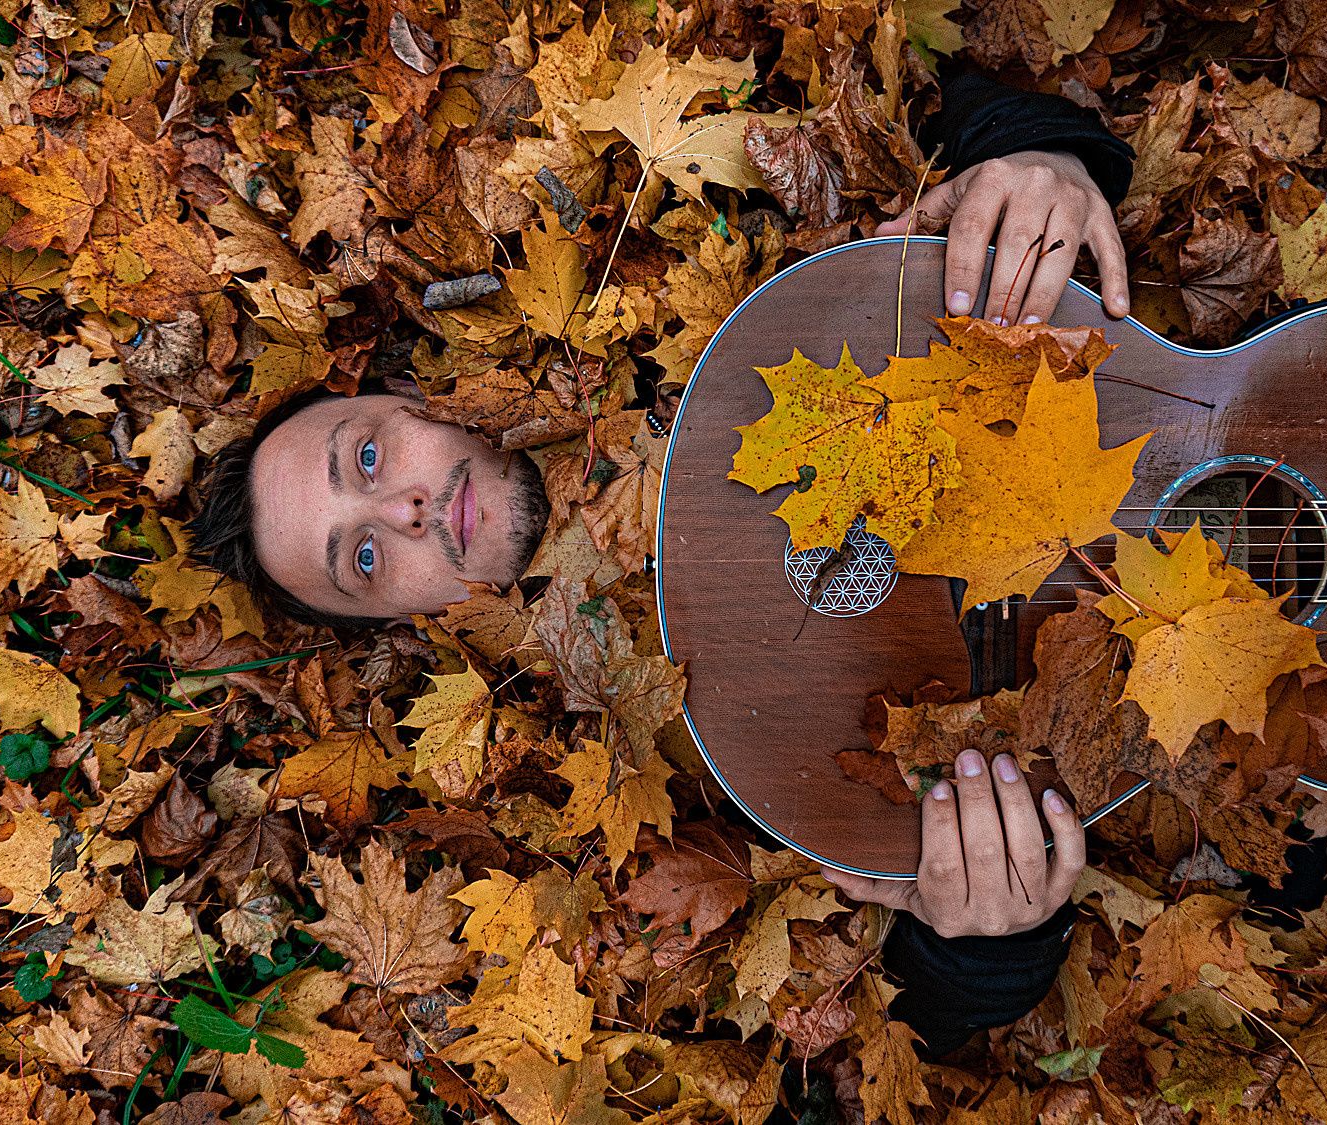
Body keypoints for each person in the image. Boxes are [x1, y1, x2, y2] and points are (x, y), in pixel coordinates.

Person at [191, 64, 1135, 1058]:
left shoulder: (656, 262)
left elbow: (921, 75)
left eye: (369, 458)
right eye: (367, 554)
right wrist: (982, 945)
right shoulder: (623, 801)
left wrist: (1033, 158)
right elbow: (849, 1043)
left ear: (407, 394)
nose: (407, 506)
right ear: (409, 623)